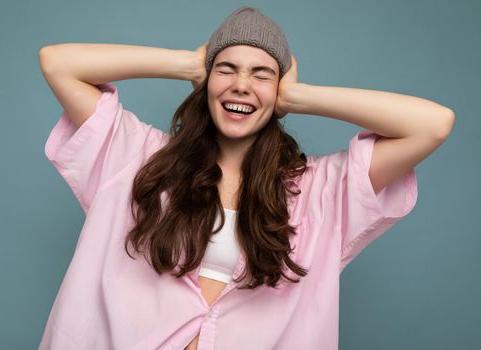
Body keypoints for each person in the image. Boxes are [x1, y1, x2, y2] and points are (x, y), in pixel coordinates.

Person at [37, 6, 454, 350]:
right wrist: (188, 64)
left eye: (261, 74)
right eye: (227, 69)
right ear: (206, 78)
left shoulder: (319, 190)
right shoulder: (138, 158)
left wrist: (295, 96)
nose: (241, 85)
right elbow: (58, 63)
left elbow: (433, 124)